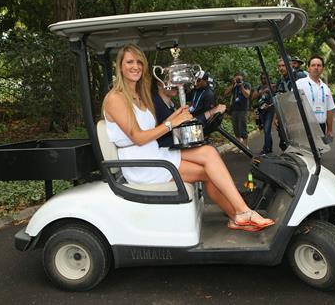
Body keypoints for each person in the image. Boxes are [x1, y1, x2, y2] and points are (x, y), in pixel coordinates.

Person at [103, 44, 273, 231]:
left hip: (154, 153)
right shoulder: (115, 98)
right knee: (207, 172)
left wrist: (177, 116)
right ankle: (241, 212)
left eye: (139, 62)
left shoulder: (139, 94)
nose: (135, 66)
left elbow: (151, 128)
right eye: (129, 62)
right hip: (143, 164)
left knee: (208, 152)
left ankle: (239, 214)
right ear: (119, 66)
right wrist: (172, 123)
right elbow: (138, 138)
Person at [152, 74, 225, 148]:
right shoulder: (154, 103)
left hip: (177, 142)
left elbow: (182, 124)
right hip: (166, 147)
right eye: (171, 82)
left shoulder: (170, 104)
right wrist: (210, 112)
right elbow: (163, 131)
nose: (176, 85)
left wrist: (211, 113)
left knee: (208, 148)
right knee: (209, 150)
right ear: (159, 84)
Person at [295, 55, 335, 137]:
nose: (316, 67)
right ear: (308, 68)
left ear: (322, 69)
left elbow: (329, 110)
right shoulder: (299, 83)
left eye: (319, 65)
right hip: (304, 127)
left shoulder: (326, 88)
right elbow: (293, 105)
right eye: (313, 65)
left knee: (320, 149)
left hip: (321, 126)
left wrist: (330, 129)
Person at [225, 72, 251, 147]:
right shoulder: (234, 86)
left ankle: (245, 146)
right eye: (236, 78)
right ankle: (240, 146)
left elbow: (247, 95)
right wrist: (233, 84)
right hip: (234, 110)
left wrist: (241, 86)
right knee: (235, 128)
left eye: (239, 78)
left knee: (243, 128)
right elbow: (226, 93)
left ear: (242, 77)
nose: (238, 79)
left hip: (243, 110)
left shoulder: (246, 84)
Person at [252, 73, 275, 155]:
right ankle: (270, 147)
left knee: (266, 129)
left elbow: (277, 98)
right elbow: (253, 97)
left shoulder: (273, 86)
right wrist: (262, 92)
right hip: (261, 110)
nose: (263, 80)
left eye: (265, 78)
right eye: (262, 78)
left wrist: (270, 105)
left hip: (270, 110)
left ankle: (265, 149)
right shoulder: (259, 87)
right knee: (266, 130)